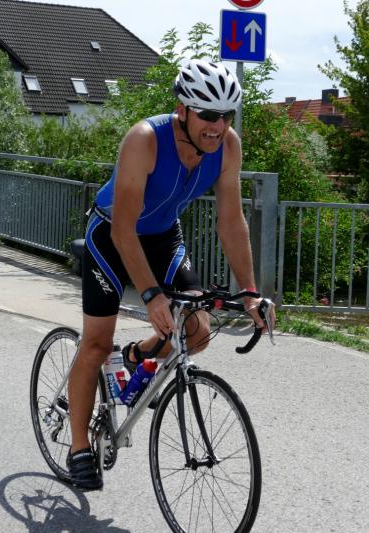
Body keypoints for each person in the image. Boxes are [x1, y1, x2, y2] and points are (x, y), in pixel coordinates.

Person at [67, 59, 275, 491]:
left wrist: (250, 291)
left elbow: (231, 220)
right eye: (208, 114)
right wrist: (150, 295)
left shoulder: (228, 146)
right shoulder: (144, 140)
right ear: (182, 110)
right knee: (97, 342)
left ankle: (135, 357)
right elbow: (124, 230)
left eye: (226, 115)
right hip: (112, 235)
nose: (218, 126)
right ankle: (79, 445)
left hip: (163, 235)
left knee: (197, 332)